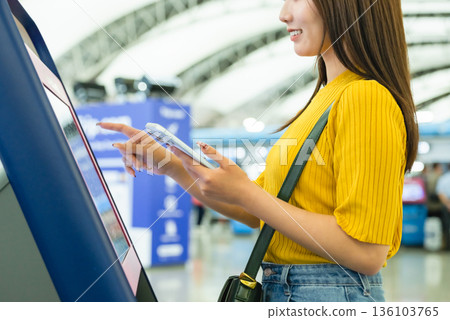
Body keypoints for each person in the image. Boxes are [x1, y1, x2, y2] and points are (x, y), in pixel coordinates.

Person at [98, 0, 418, 302]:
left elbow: (367, 253)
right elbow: (256, 212)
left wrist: (249, 195)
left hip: (326, 293)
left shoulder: (366, 98)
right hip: (297, 289)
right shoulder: (324, 100)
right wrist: (172, 167)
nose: (283, 13)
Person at [436, 164, 450, 250]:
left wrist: (447, 204)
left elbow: (440, 193)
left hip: (446, 204)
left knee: (447, 227)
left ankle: (447, 246)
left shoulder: (443, 178)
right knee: (447, 226)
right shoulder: (444, 178)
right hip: (447, 204)